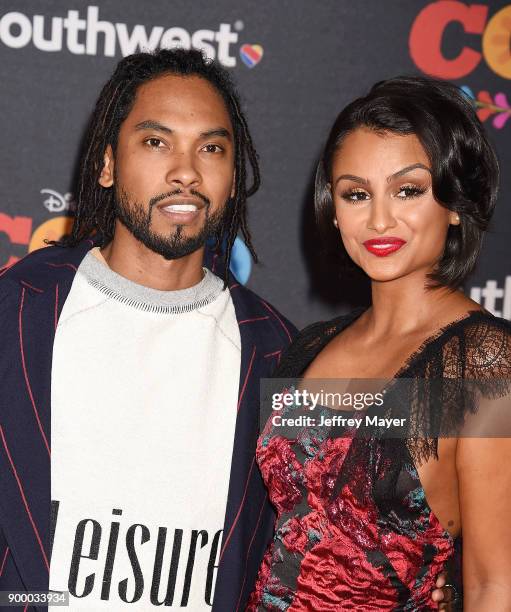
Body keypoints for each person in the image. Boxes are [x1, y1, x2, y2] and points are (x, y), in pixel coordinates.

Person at [0, 49, 297, 611]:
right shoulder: (15, 311)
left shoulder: (281, 354)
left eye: (211, 148)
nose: (186, 172)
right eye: (157, 142)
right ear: (107, 164)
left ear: (234, 178)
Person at [249, 76, 511, 610]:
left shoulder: (485, 362)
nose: (379, 218)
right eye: (357, 193)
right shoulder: (312, 344)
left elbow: (494, 584)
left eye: (408, 190)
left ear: (455, 203)